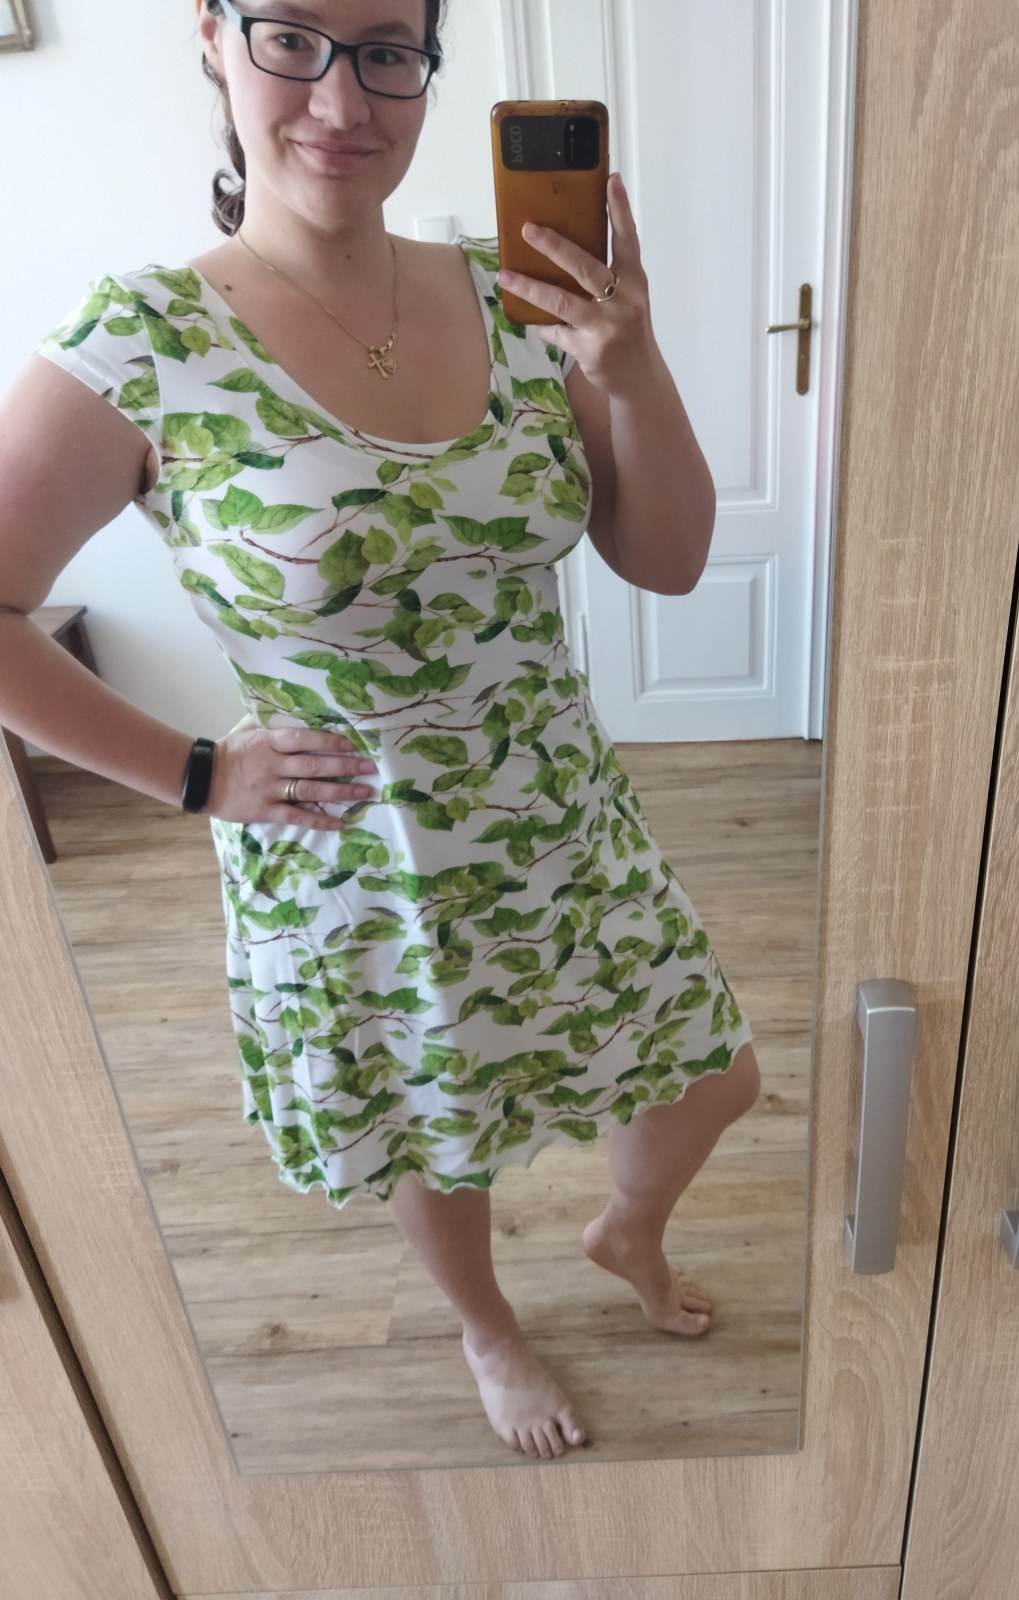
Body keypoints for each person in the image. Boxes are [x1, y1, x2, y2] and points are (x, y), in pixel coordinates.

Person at [0, 0, 760, 1460]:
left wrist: (632, 364)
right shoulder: (145, 339)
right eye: (293, 39)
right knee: (437, 1132)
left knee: (715, 1074)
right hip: (356, 852)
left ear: (426, 70)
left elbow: (665, 560)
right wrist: (195, 773)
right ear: (213, 38)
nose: (343, 102)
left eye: (388, 52)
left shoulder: (516, 293)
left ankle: (624, 1231)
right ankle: (487, 1328)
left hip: (562, 816)